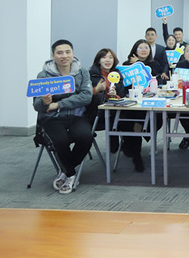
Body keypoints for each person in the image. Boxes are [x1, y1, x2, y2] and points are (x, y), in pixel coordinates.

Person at [32, 40, 93, 195]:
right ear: (53, 55)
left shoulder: (82, 72)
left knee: (86, 137)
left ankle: (65, 170)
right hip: (52, 119)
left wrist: (57, 104)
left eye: (67, 52)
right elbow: (37, 106)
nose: (64, 56)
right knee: (60, 140)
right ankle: (71, 174)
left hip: (76, 116)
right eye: (59, 53)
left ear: (73, 54)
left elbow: (86, 97)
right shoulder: (43, 75)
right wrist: (45, 102)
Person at [121, 40, 165, 170]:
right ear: (135, 50)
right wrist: (134, 65)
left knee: (155, 117)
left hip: (149, 101)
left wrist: (139, 65)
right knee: (130, 118)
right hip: (131, 101)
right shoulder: (127, 64)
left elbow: (154, 78)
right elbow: (125, 84)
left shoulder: (154, 64)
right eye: (140, 48)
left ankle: (134, 141)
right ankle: (134, 147)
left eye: (146, 47)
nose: (144, 50)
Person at [86, 48, 127, 153]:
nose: (108, 60)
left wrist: (115, 95)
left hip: (114, 109)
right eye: (104, 57)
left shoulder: (116, 74)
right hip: (96, 112)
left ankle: (131, 147)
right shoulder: (90, 74)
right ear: (98, 60)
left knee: (131, 117)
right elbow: (85, 95)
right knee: (120, 119)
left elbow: (122, 94)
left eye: (110, 57)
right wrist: (96, 90)